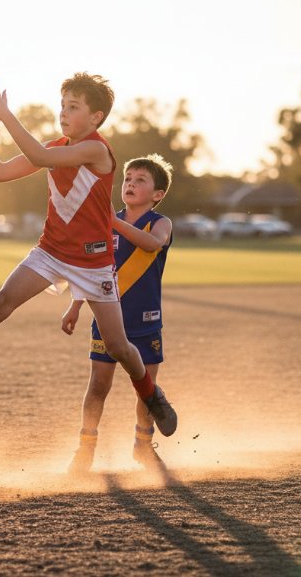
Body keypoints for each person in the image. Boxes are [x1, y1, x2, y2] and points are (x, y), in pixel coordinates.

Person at [0, 72, 177, 437]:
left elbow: (39, 155)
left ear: (95, 118)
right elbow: (0, 173)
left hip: (94, 262)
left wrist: (3, 113)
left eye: (73, 107)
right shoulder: (54, 146)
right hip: (51, 251)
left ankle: (151, 393)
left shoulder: (97, 150)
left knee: (118, 346)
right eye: (62, 105)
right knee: (0, 302)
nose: (63, 112)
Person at [61, 154, 175, 475]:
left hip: (146, 321)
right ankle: (86, 447)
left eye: (140, 180)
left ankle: (143, 445)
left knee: (146, 388)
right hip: (108, 321)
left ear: (157, 194)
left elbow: (152, 244)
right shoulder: (105, 223)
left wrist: (114, 223)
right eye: (127, 179)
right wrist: (75, 305)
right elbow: (91, 269)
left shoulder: (159, 222)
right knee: (98, 385)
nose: (130, 184)